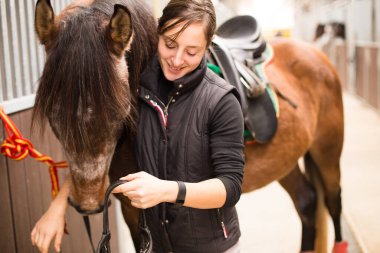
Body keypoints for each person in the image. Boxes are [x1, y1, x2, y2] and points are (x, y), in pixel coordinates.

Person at [31, 0, 245, 252]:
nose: (176, 60)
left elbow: (230, 186)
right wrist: (59, 204)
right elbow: (98, 139)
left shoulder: (221, 101)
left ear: (207, 48)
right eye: (170, 44)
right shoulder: (135, 91)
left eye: (191, 51)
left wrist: (165, 191)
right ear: (157, 35)